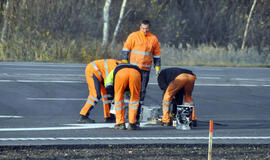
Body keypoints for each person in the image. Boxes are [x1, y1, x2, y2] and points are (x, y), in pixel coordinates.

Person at [121, 19, 161, 121]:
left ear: (149, 28)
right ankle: (126, 112)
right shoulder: (133, 36)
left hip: (145, 71)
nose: (145, 31)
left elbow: (157, 55)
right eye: (143, 28)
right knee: (130, 90)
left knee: (142, 91)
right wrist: (124, 63)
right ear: (140, 27)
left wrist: (157, 68)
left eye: (147, 29)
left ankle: (137, 113)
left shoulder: (153, 39)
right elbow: (126, 49)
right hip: (133, 69)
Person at [78, 59, 121, 123]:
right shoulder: (116, 69)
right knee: (95, 95)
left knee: (108, 96)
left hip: (101, 74)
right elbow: (110, 85)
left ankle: (109, 117)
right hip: (93, 70)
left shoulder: (120, 67)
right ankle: (83, 115)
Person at [105, 63, 141, 130]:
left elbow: (108, 85)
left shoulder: (113, 70)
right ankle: (132, 124)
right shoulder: (135, 68)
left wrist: (114, 96)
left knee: (118, 99)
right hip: (136, 74)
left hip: (121, 74)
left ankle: (120, 124)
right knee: (135, 98)